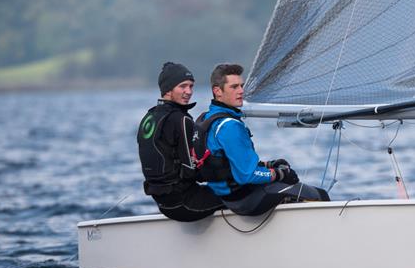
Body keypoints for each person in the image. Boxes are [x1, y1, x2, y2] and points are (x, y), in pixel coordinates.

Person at [197, 63, 330, 216]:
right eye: (234, 87)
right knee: (320, 195)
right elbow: (247, 175)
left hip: (224, 196)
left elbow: (228, 163)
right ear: (217, 91)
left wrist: (268, 165)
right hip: (243, 199)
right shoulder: (230, 126)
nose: (241, 91)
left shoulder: (207, 118)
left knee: (285, 187)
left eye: (242, 85)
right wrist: (279, 174)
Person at [138, 62, 224, 221]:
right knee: (240, 193)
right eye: (183, 86)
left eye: (191, 86)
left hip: (164, 204)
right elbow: (193, 170)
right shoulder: (182, 120)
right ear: (168, 89)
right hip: (185, 203)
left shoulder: (148, 117)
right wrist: (230, 172)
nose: (189, 92)